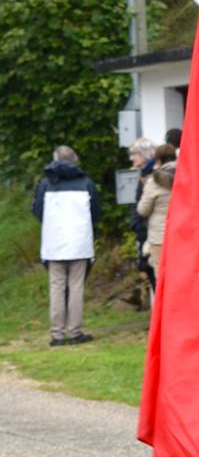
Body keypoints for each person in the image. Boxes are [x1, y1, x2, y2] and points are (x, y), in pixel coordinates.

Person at [31, 145, 100, 347]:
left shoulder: (45, 183)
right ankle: (74, 331)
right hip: (79, 242)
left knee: (57, 287)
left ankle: (57, 334)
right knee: (76, 287)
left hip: (54, 243)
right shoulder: (86, 183)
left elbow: (37, 211)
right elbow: (96, 212)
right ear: (74, 160)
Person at [137, 143, 176, 278]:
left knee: (162, 275)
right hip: (185, 233)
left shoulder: (153, 182)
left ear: (158, 161)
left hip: (160, 237)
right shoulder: (188, 175)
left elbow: (143, 210)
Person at [126, 137, 159, 297]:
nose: (131, 158)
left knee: (154, 273)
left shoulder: (152, 176)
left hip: (150, 231)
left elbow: (144, 206)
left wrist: (136, 223)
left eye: (135, 154)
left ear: (145, 154)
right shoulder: (147, 174)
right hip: (146, 230)